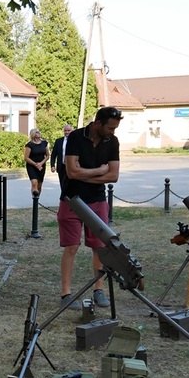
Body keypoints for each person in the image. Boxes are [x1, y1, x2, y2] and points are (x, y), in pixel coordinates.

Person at [59, 106, 122, 309]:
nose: (113, 132)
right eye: (110, 128)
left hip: (97, 199)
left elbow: (113, 176)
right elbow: (72, 172)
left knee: (100, 247)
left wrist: (86, 173)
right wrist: (99, 171)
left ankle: (99, 290)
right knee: (71, 246)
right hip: (72, 199)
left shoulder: (112, 141)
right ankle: (66, 294)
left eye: (115, 128)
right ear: (97, 124)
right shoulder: (76, 137)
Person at [24, 128, 49, 196]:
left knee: (39, 185)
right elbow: (26, 157)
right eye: (37, 132)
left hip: (42, 166)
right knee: (34, 183)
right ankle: (34, 198)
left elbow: (47, 155)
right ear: (33, 134)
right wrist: (36, 164)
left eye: (39, 132)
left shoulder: (44, 143)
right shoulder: (29, 145)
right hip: (32, 166)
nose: (39, 133)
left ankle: (37, 199)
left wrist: (41, 163)